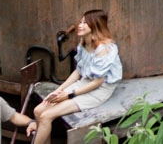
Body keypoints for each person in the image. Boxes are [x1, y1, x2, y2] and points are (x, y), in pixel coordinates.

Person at [30, 11, 122, 144]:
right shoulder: (84, 43)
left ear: (95, 26)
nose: (80, 25)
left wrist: (69, 95)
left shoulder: (104, 49)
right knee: (38, 110)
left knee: (46, 116)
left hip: (99, 89)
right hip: (85, 82)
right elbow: (78, 71)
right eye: (81, 21)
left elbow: (98, 82)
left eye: (85, 23)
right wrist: (59, 90)